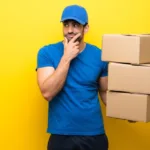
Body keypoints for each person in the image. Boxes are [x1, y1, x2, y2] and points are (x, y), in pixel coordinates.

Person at [36, 4, 109, 150]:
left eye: (75, 25)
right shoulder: (46, 53)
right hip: (61, 136)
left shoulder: (100, 55)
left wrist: (126, 110)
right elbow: (47, 92)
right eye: (66, 25)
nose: (70, 30)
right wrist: (66, 58)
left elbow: (105, 91)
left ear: (86, 28)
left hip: (94, 135)